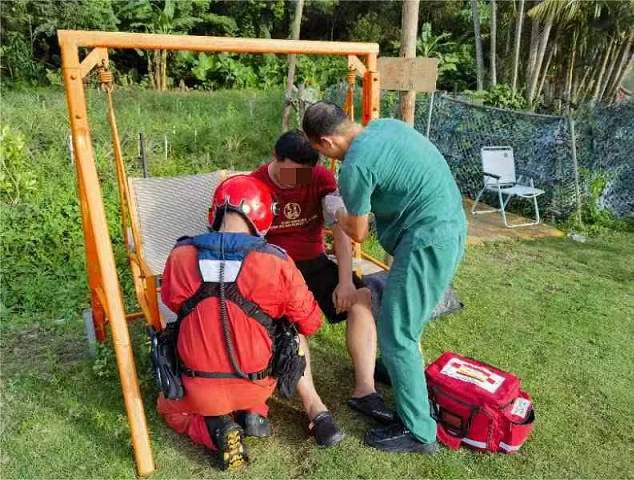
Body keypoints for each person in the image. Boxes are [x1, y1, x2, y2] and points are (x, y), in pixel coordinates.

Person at [302, 102, 467, 454]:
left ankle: (419, 432)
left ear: (327, 142)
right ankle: (408, 387)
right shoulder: (386, 127)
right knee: (402, 326)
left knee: (397, 333)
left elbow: (358, 232)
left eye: (319, 150)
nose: (324, 157)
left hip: (425, 240)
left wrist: (337, 212)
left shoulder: (355, 167)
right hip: (449, 225)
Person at [156, 175, 342, 470]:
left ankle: (216, 430)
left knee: (169, 410)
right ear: (263, 218)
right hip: (258, 384)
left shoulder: (180, 255)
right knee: (290, 330)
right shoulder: (277, 261)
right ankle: (254, 412)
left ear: (214, 212)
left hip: (196, 390)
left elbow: (170, 301)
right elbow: (311, 323)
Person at [250, 131, 395, 426]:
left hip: (314, 262)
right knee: (290, 321)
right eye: (291, 171)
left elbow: (340, 229)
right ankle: (314, 403)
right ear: (275, 158)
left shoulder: (314, 178)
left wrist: (344, 281)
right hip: (276, 269)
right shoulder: (256, 185)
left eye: (304, 173)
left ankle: (365, 390)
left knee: (361, 297)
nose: (297, 179)